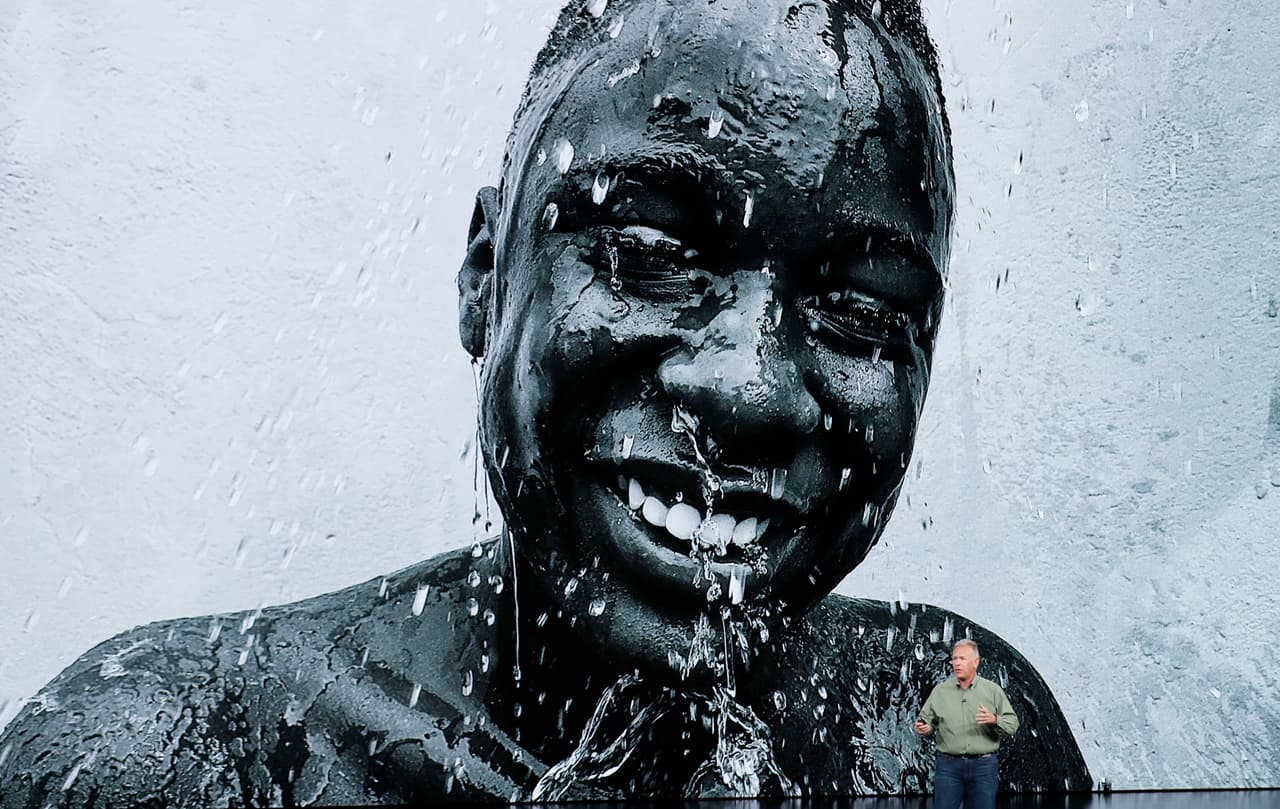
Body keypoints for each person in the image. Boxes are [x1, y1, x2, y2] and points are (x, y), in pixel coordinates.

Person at [0, 0, 1090, 804]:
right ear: (485, 275)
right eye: (646, 249)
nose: (749, 387)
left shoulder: (953, 742)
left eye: (860, 309)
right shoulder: (180, 759)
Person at [915, 639, 1019, 809]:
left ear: (975, 662)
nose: (956, 663)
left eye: (962, 659)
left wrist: (995, 719)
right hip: (948, 766)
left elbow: (1013, 724)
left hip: (983, 767)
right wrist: (924, 728)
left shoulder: (992, 691)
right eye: (954, 659)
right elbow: (924, 721)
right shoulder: (941, 691)